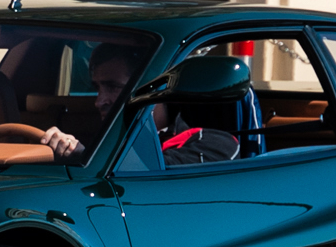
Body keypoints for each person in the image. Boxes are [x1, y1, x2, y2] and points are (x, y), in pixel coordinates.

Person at [33, 43, 239, 164]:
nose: (99, 101)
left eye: (113, 87)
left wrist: (81, 154)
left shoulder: (214, 142)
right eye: (97, 87)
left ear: (155, 87)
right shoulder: (102, 139)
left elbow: (155, 174)